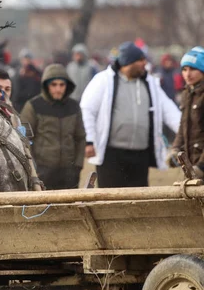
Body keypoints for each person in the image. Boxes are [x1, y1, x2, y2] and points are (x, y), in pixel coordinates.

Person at [81, 42, 180, 188]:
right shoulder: (103, 80)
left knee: (137, 201)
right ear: (128, 62)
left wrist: (186, 131)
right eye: (140, 60)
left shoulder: (150, 84)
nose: (144, 63)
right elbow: (88, 109)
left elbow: (169, 111)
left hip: (140, 156)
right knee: (110, 199)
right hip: (111, 155)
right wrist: (89, 140)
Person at [21, 64, 86, 189]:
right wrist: (33, 168)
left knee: (69, 207)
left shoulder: (74, 106)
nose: (58, 89)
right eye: (54, 85)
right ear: (46, 85)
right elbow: (25, 139)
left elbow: (80, 137)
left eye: (62, 85)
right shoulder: (33, 106)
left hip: (69, 172)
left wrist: (77, 166)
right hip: (42, 171)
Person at [167, 47, 204, 176]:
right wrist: (175, 149)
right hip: (192, 164)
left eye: (193, 69)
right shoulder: (187, 93)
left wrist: (201, 167)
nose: (187, 74)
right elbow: (183, 125)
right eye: (184, 69)